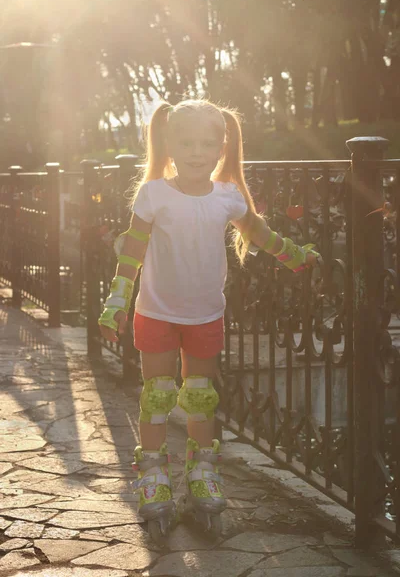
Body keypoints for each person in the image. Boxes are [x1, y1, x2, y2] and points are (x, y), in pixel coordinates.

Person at [98, 99, 320, 542]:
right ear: (169, 143)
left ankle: (202, 472)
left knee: (199, 397)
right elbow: (132, 254)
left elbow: (257, 232)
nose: (196, 151)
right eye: (186, 142)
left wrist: (293, 255)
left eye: (206, 142)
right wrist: (116, 301)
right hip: (156, 312)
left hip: (204, 315)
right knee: (157, 396)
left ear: (221, 146)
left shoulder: (227, 197)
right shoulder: (153, 194)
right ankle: (155, 474)